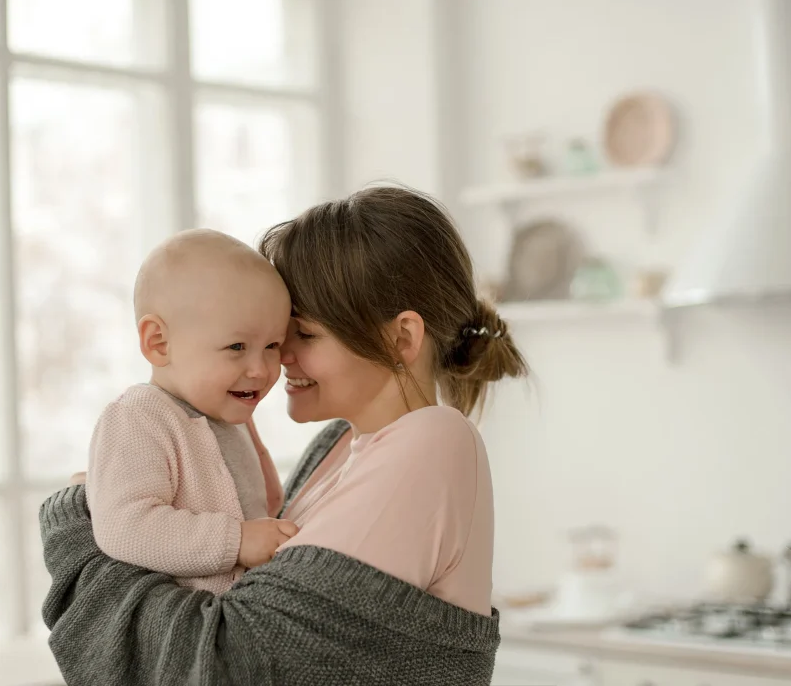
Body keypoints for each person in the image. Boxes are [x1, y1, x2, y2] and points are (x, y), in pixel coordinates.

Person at [39, 185, 529, 685]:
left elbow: (227, 661)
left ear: (401, 338)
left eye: (302, 334)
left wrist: (78, 523)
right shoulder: (336, 447)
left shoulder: (432, 441)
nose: (277, 359)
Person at [85, 229, 297, 595]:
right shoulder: (138, 418)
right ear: (159, 343)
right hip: (182, 627)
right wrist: (236, 540)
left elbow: (259, 503)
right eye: (237, 346)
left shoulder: (227, 415)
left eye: (272, 345)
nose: (261, 369)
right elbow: (124, 527)